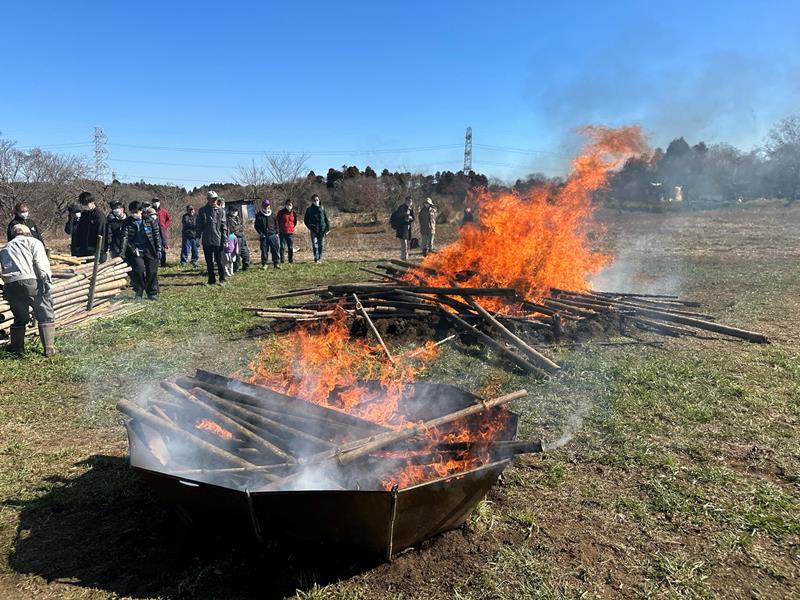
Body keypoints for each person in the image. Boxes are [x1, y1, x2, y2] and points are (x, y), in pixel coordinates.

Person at [0, 224, 56, 356]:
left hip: (10, 284)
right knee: (45, 313)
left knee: (20, 317)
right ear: (27, 233)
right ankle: (49, 348)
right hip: (30, 281)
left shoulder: (5, 248)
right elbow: (41, 263)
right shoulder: (33, 242)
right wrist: (47, 280)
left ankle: (17, 348)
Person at [119, 201, 162, 300]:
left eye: (136, 211)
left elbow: (156, 235)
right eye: (132, 212)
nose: (135, 214)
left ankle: (152, 292)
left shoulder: (150, 220)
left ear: (141, 211)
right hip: (135, 249)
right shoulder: (127, 222)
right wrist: (122, 251)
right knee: (139, 270)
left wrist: (159, 249)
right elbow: (124, 237)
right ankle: (139, 290)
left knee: (152, 271)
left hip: (149, 248)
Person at [195, 191, 228, 285]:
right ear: (208, 199)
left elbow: (224, 226)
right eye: (212, 199)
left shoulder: (221, 211)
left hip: (218, 239)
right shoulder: (202, 211)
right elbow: (199, 226)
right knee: (209, 262)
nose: (214, 201)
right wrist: (197, 238)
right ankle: (211, 280)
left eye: (215, 199)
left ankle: (222, 279)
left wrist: (225, 239)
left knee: (220, 261)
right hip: (206, 240)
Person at [72, 191, 107, 257]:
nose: (85, 206)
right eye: (83, 204)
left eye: (86, 204)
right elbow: (79, 231)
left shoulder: (99, 216)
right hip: (83, 248)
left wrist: (101, 250)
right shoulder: (84, 214)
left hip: (95, 250)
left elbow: (102, 233)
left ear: (92, 202)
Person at [303, 194, 330, 263]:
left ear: (319, 200)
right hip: (314, 230)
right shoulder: (309, 210)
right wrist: (310, 227)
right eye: (314, 200)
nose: (316, 201)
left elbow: (326, 219)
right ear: (312, 201)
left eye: (317, 200)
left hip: (322, 230)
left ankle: (320, 257)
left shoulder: (322, 208)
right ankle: (316, 258)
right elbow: (306, 220)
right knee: (315, 245)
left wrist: (327, 228)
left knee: (321, 244)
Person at [254, 199, 280, 269]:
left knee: (275, 250)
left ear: (269, 205)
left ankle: (276, 263)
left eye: (267, 205)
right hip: (264, 236)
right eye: (265, 205)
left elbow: (276, 224)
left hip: (272, 235)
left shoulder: (273, 215)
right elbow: (256, 226)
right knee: (264, 251)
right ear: (262, 205)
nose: (266, 207)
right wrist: (260, 233)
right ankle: (264, 264)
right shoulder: (259, 215)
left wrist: (277, 233)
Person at [226, 204, 251, 272]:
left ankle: (246, 268)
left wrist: (238, 227)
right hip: (234, 239)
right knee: (236, 255)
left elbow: (242, 227)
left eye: (236, 210)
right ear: (230, 211)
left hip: (242, 239)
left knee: (246, 254)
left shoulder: (238, 218)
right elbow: (232, 229)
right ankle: (235, 269)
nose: (235, 212)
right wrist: (239, 227)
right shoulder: (228, 220)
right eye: (233, 211)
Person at [390, 196, 415, 261]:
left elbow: (413, 218)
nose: (410, 202)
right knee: (404, 243)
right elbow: (398, 217)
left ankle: (404, 257)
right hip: (401, 228)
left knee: (406, 243)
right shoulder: (401, 208)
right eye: (409, 201)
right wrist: (406, 217)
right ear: (405, 201)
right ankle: (404, 258)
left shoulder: (410, 209)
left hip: (407, 228)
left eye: (411, 201)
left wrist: (410, 218)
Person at [277, 199, 298, 263]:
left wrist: (291, 228)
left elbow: (295, 222)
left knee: (290, 247)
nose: (289, 206)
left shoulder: (293, 213)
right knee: (282, 247)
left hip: (290, 233)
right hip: (282, 232)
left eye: (290, 205)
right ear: (285, 205)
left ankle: (290, 260)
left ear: (292, 205)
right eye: (287, 204)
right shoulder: (281, 212)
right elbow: (277, 220)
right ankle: (282, 260)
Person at [153, 197, 172, 267]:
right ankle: (156, 263)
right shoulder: (151, 211)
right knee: (155, 247)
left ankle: (163, 263)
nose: (155, 202)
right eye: (154, 201)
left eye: (157, 201)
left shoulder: (163, 211)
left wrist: (165, 226)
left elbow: (169, 220)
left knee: (163, 247)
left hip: (163, 232)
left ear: (159, 202)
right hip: (153, 231)